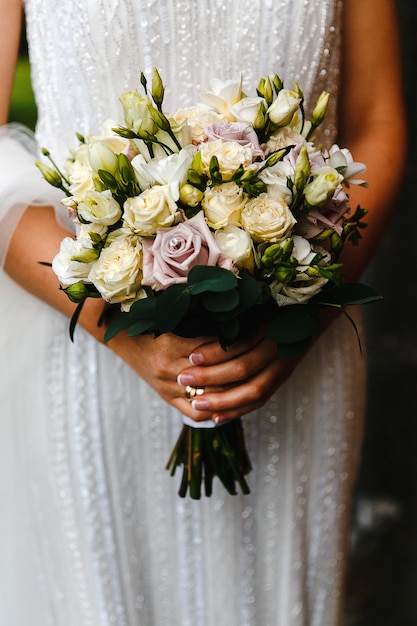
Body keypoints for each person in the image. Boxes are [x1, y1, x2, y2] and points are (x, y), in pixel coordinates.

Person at [0, 0, 405, 624]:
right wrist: (118, 330)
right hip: (90, 350)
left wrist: (301, 320)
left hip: (295, 357)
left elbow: (377, 122)